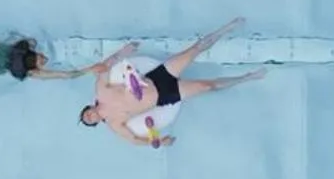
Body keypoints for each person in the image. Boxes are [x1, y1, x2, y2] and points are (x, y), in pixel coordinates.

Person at [79, 18, 265, 148]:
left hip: (156, 78)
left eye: (86, 114)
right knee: (207, 86)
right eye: (89, 121)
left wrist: (124, 51)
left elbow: (104, 67)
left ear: (89, 108)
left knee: (194, 50)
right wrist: (159, 141)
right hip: (165, 96)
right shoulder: (114, 124)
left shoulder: (101, 91)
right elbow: (134, 140)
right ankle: (247, 77)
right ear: (96, 123)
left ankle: (227, 28)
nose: (90, 117)